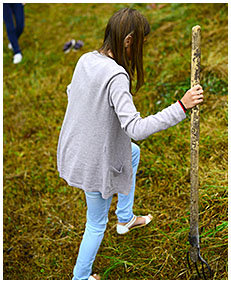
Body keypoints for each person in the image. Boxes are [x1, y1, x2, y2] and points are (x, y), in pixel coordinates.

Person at [57, 8, 204, 280]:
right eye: (142, 43)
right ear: (128, 41)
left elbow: (71, 93)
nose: (142, 49)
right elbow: (135, 128)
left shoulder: (86, 59)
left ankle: (125, 218)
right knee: (96, 223)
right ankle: (80, 277)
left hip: (76, 148)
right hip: (94, 163)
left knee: (131, 153)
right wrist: (181, 106)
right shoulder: (116, 77)